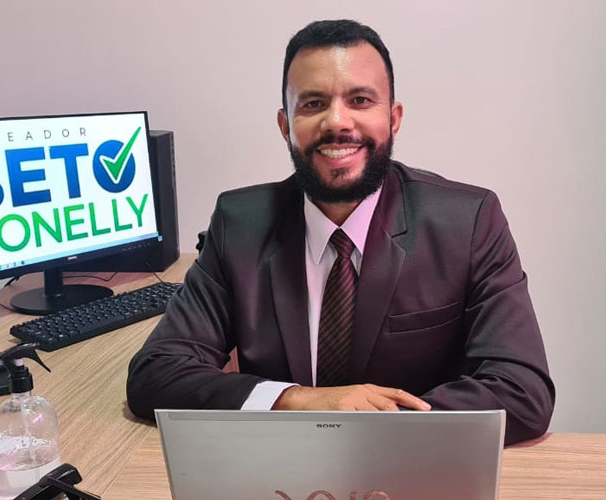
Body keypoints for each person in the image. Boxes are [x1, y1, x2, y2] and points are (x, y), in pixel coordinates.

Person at [127, 19, 555, 445]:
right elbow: (156, 373)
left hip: (413, 466)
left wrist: (369, 425)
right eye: (313, 104)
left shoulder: (469, 221)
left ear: (393, 118)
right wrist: (298, 401)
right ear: (285, 125)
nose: (336, 122)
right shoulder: (238, 224)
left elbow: (522, 391)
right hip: (280, 465)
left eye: (360, 100)